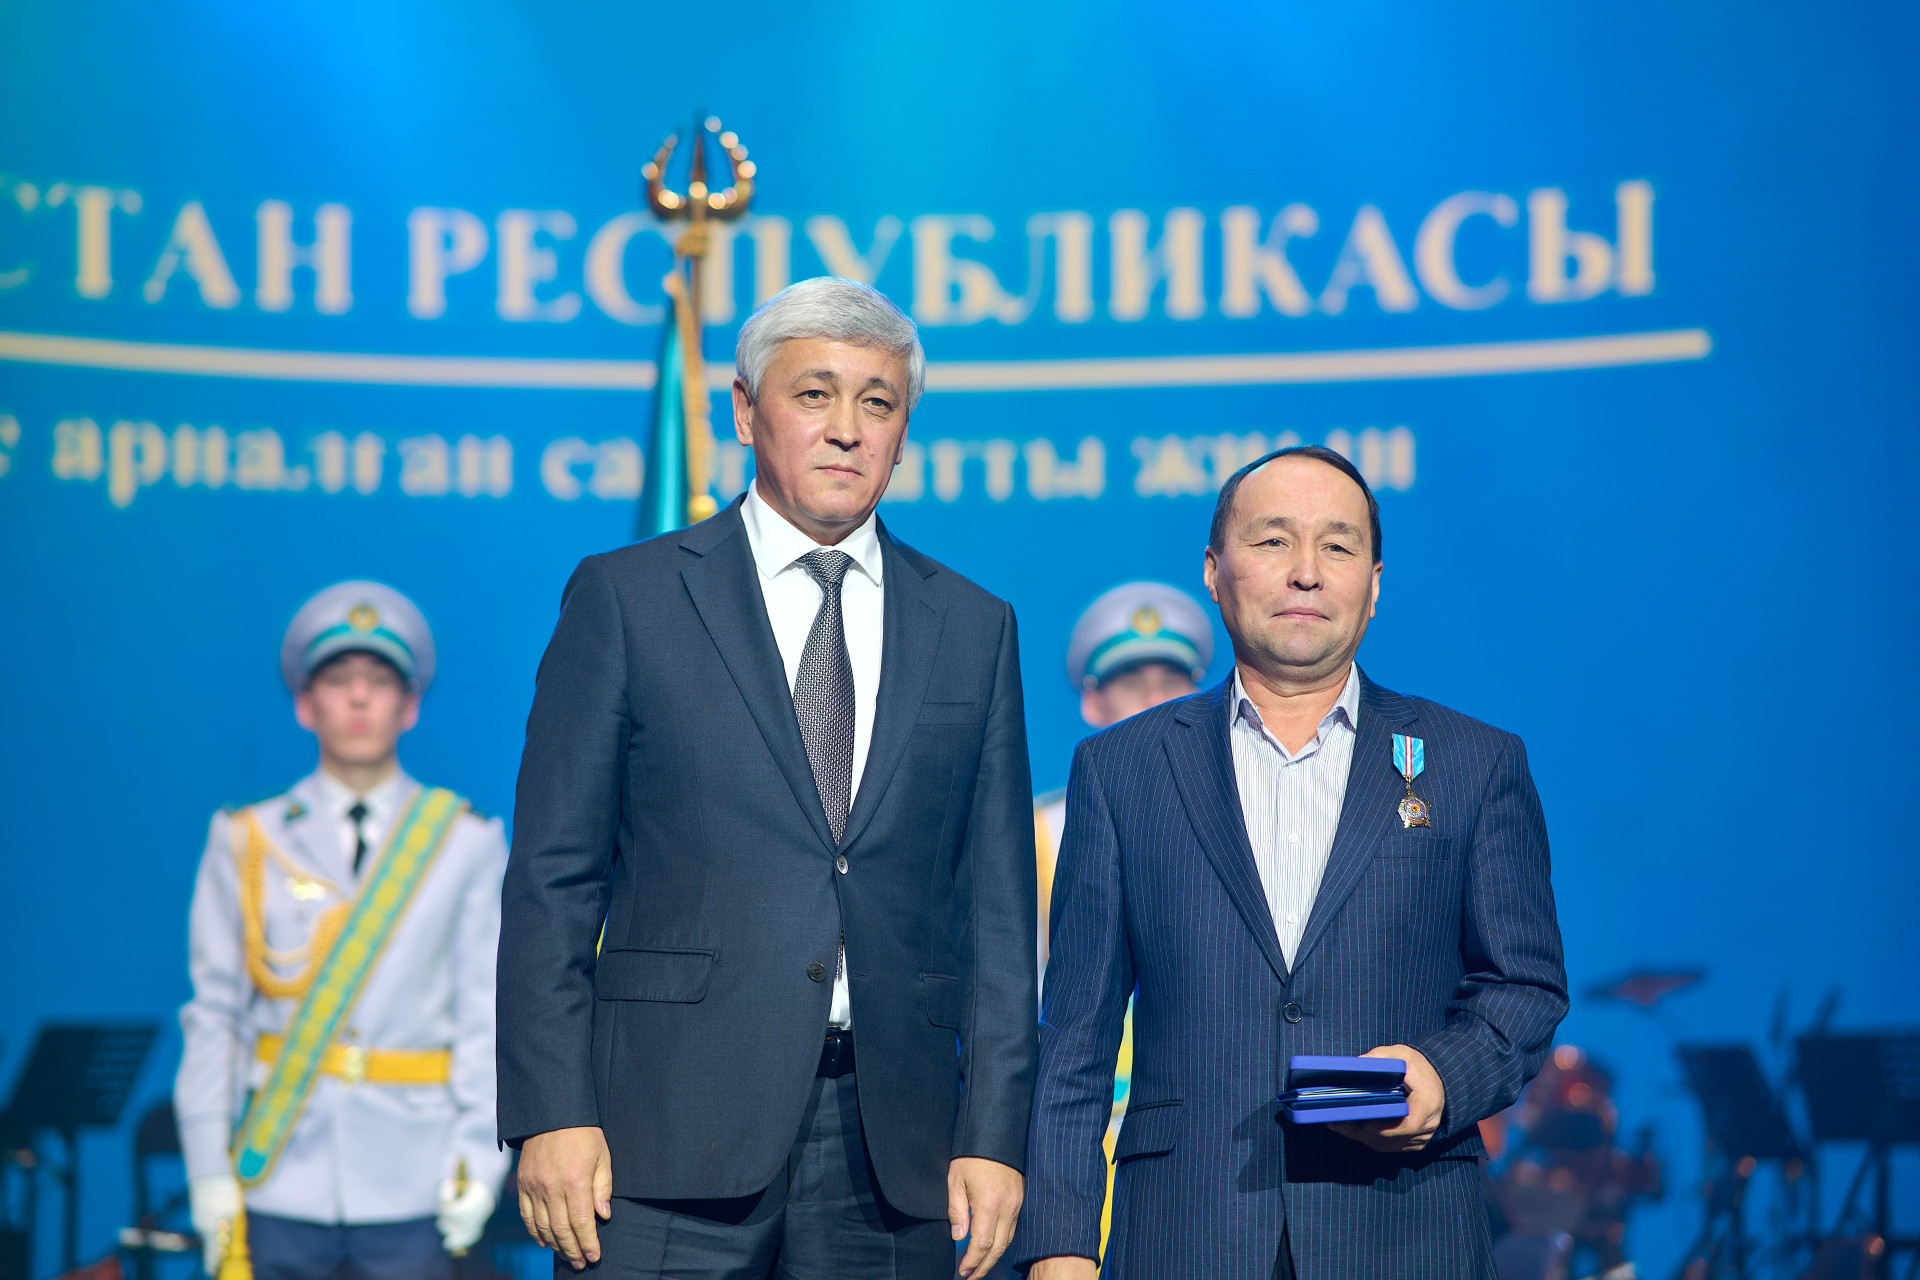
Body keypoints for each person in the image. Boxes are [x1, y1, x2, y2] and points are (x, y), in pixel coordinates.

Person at [498, 277, 1037, 1280]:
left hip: (894, 1149)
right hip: (658, 1136)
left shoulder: (973, 626)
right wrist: (551, 1109)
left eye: (878, 402)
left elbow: (999, 912)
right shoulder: (629, 597)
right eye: (814, 394)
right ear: (746, 410)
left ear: (904, 433)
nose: (847, 429)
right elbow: (552, 880)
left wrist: (998, 1132)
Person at [1018, 446, 1568, 1280]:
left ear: (1373, 584)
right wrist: (1059, 1245)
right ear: (1214, 571)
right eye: (1274, 541)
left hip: (1403, 1227)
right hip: (1185, 1233)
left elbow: (1524, 986)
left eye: (1337, 546)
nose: (1306, 571)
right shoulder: (1123, 771)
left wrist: (1441, 1078)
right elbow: (1076, 1036)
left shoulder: (1472, 763)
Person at [175, 581, 509, 1280]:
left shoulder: (466, 842)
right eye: (338, 680)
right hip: (278, 1175)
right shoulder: (247, 837)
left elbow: (486, 1017)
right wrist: (207, 1169)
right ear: (306, 704)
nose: (359, 698)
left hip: (414, 1180)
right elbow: (216, 1017)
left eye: (380, 681)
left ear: (409, 706)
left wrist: (481, 1159)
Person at [1017, 583, 1212, 1277]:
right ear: (1093, 702)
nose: (1155, 700)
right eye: (1133, 683)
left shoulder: (1249, 827)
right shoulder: (1037, 836)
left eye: (1172, 681)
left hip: (1216, 1155)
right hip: (1082, 1155)